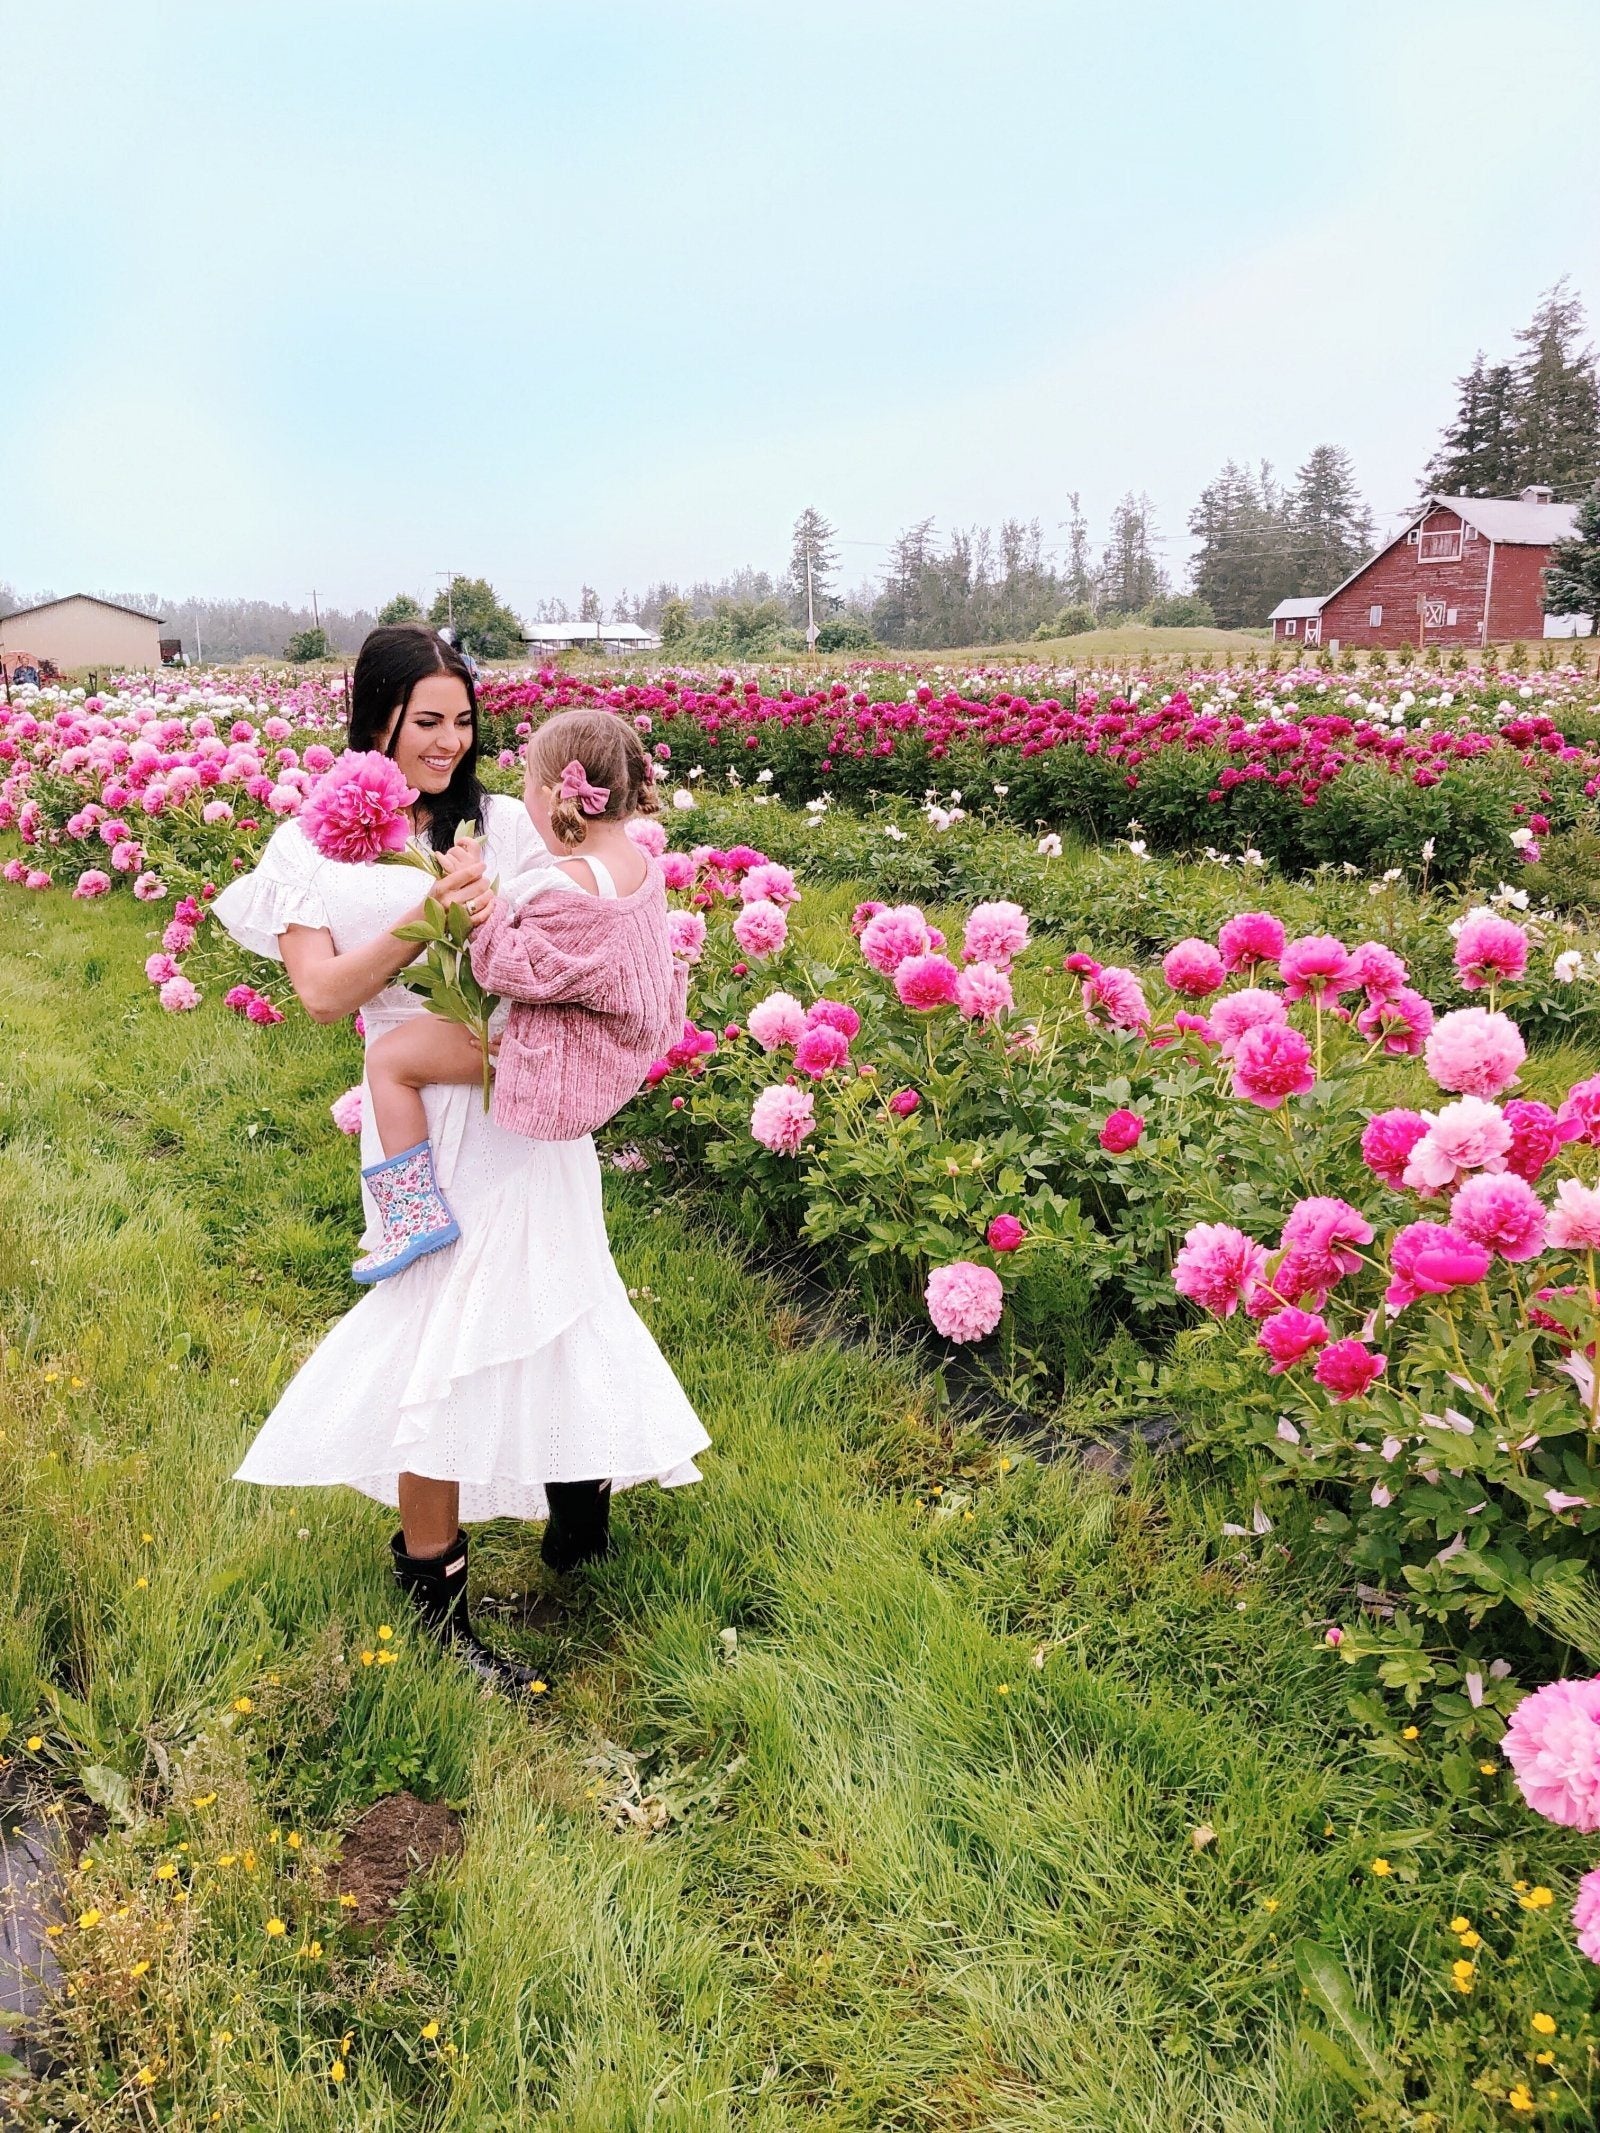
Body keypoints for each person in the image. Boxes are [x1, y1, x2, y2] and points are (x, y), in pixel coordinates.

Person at [210, 624, 709, 1694]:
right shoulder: (309, 846)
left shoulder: (504, 822)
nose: (448, 742)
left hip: (518, 1099)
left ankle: (580, 1510)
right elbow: (321, 995)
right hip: (424, 1131)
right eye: (426, 720)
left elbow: (578, 927)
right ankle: (433, 1597)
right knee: (436, 1336)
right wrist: (425, 919)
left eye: (464, 721)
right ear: (376, 711)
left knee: (565, 1299)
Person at [355, 709, 684, 1282]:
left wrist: (479, 903)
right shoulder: (639, 866)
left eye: (529, 786)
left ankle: (412, 1214)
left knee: (388, 1060)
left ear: (557, 795)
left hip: (549, 1048)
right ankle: (412, 1211)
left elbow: (516, 968)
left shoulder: (565, 883)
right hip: (602, 1036)